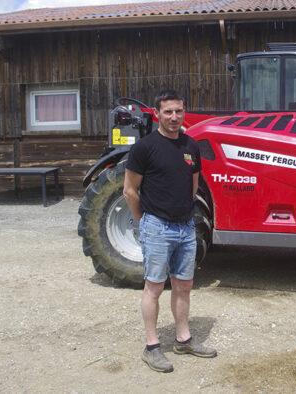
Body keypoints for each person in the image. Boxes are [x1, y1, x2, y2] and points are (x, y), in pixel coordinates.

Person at [123, 89, 217, 373]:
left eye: (178, 111)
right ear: (157, 114)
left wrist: (184, 212)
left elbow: (193, 184)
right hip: (157, 227)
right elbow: (129, 191)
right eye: (168, 112)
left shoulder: (191, 146)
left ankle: (183, 339)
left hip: (185, 227)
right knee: (154, 287)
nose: (174, 117)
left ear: (184, 112)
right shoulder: (145, 148)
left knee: (184, 286)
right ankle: (152, 347)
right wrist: (146, 220)